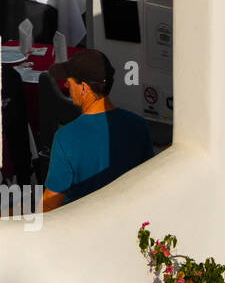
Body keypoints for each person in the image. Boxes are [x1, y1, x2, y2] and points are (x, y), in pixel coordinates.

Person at [40, 49, 153, 211]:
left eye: (69, 81)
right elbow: (148, 181)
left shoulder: (65, 138)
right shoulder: (139, 125)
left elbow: (49, 205)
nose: (65, 85)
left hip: (83, 226)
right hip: (128, 219)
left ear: (84, 88)